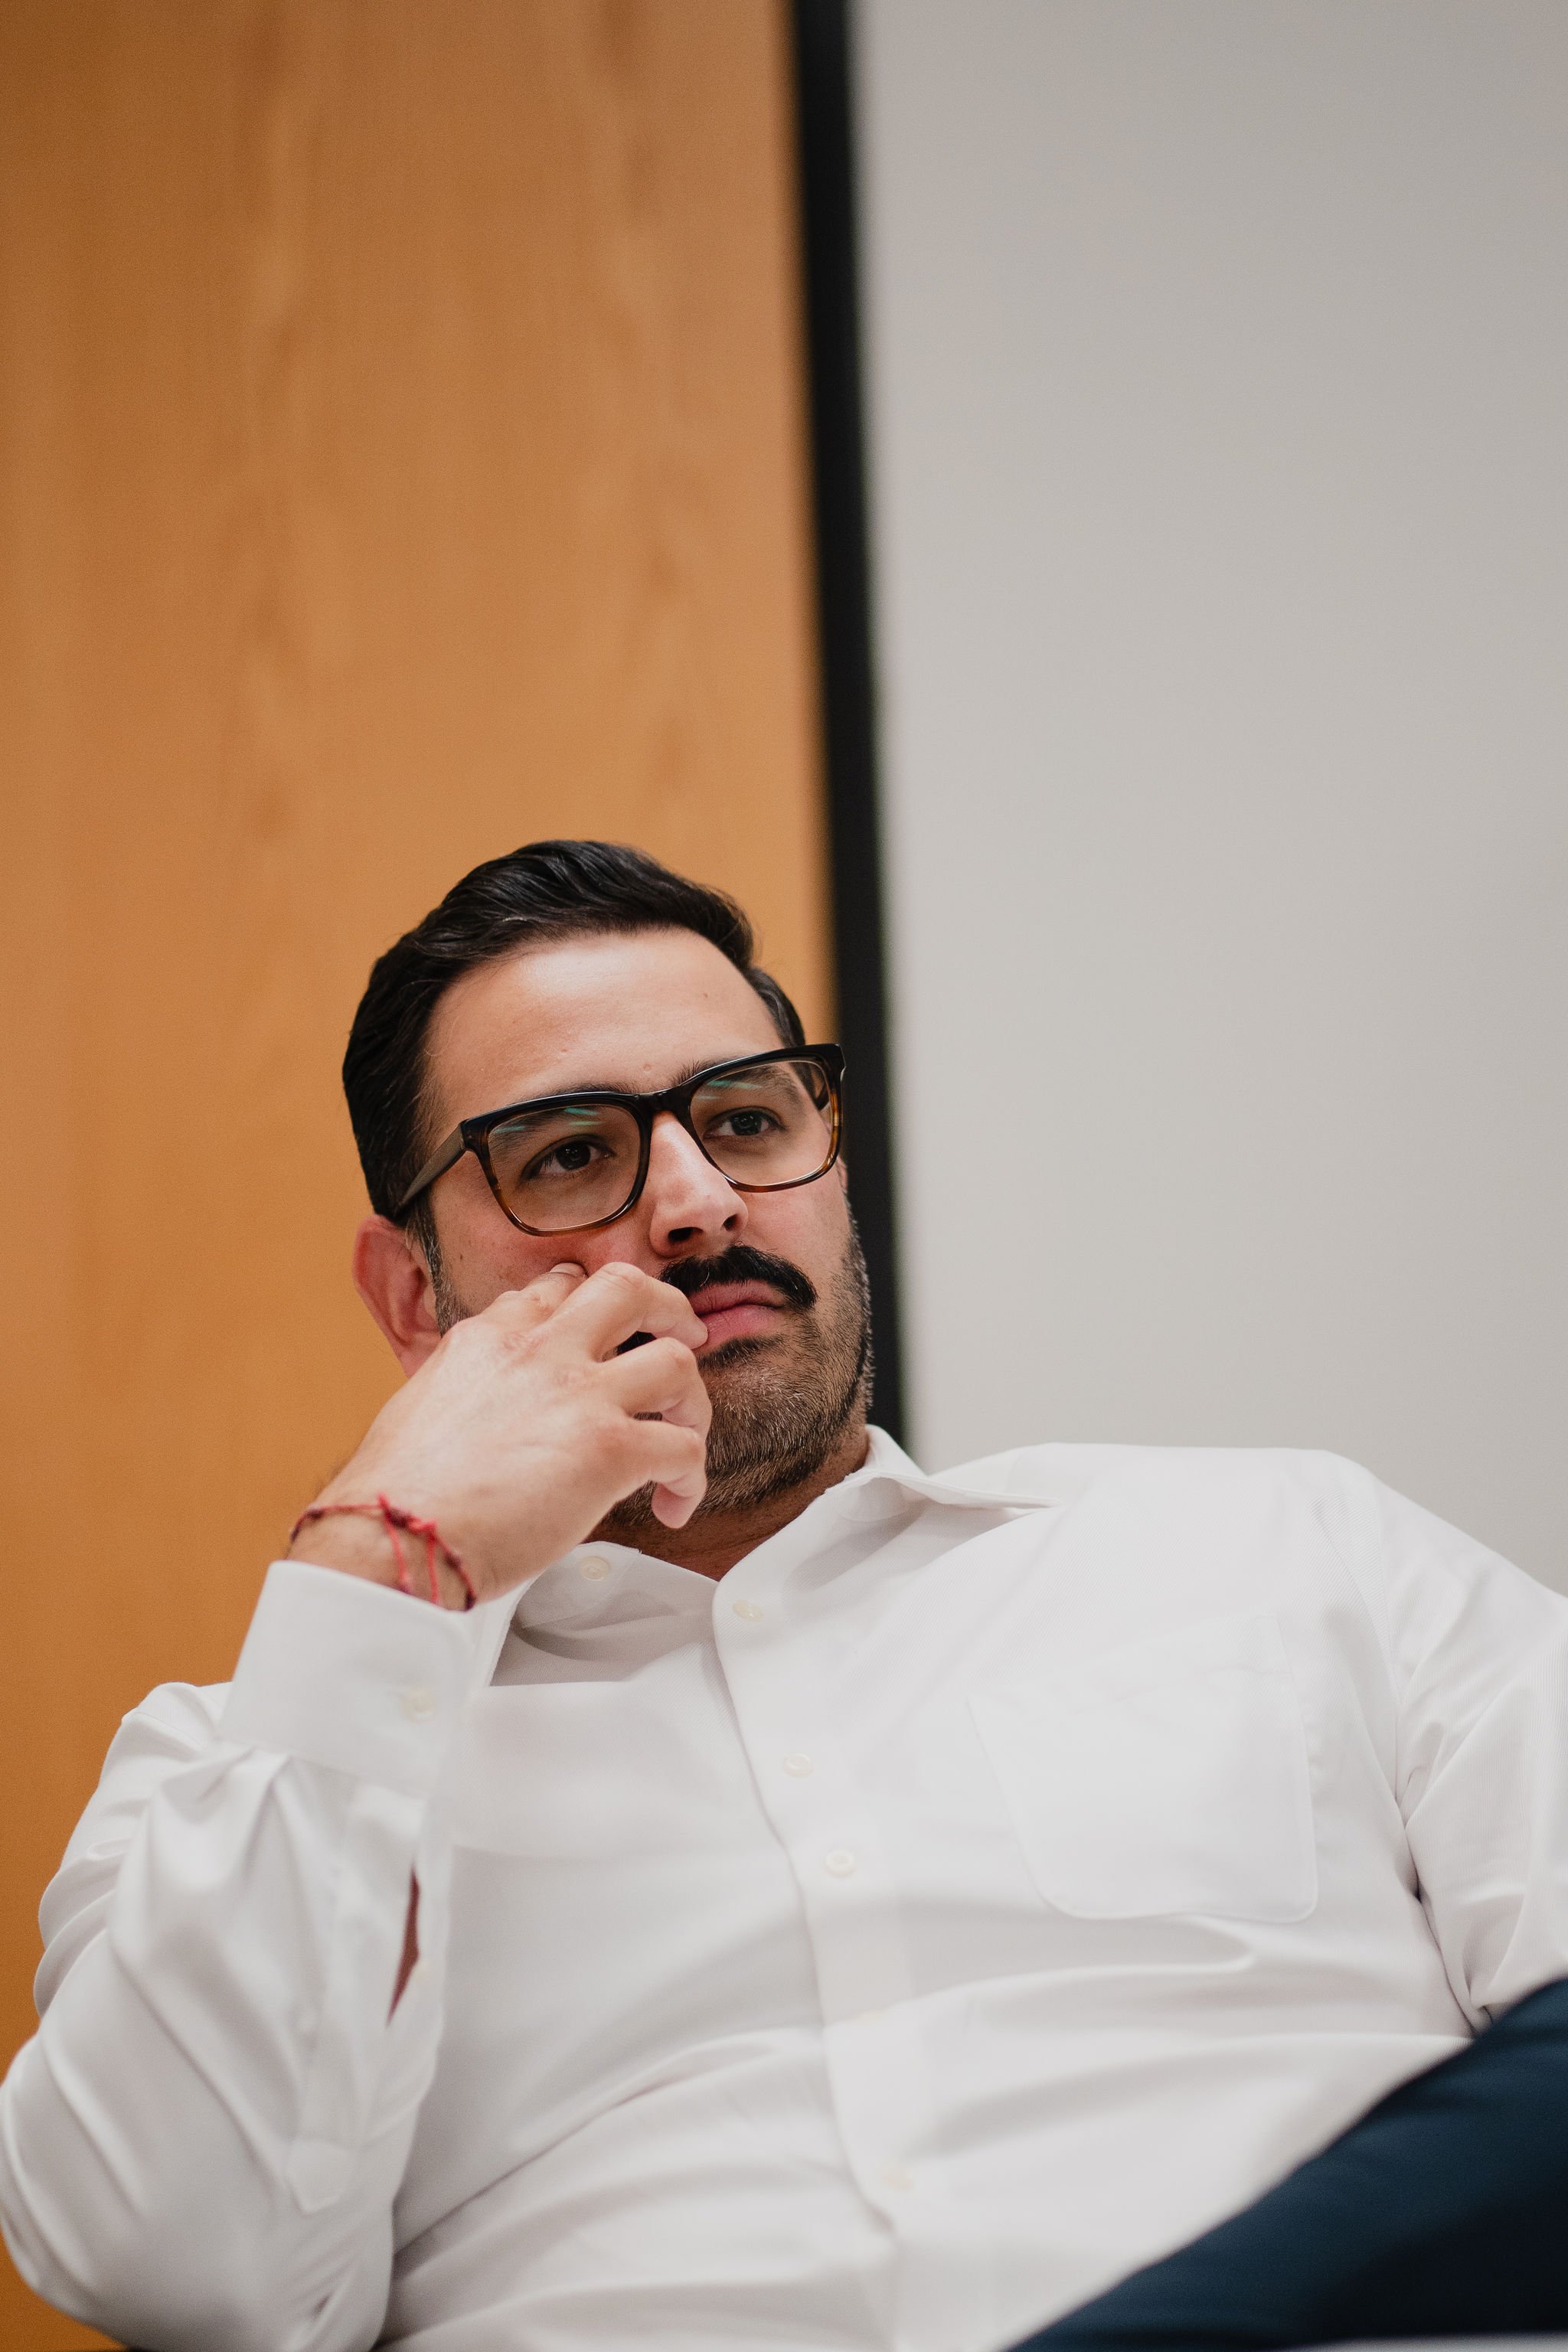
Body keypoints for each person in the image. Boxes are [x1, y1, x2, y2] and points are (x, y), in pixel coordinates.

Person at [2, 837, 1566, 2352]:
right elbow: (179, 2282)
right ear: (418, 1300)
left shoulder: (1295, 1551)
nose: (694, 1205)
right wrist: (378, 1560)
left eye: (745, 1121)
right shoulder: (242, 1766)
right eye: (569, 1154)